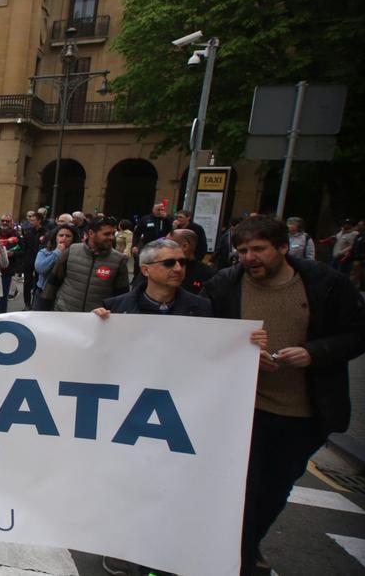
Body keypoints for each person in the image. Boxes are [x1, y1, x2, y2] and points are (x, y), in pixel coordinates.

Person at [203, 215, 365, 575]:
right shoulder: (225, 284)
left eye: (259, 249)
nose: (250, 257)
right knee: (240, 491)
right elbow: (203, 332)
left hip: (301, 412)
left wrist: (315, 352)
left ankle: (246, 547)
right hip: (242, 409)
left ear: (284, 247)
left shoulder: (326, 284)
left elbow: (362, 334)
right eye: (242, 250)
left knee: (274, 489)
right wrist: (240, 351)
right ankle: (239, 557)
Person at [92, 238, 244, 576]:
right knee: (125, 482)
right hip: (127, 414)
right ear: (146, 270)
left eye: (181, 262)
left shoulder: (202, 309)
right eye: (169, 263)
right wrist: (93, 326)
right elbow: (97, 357)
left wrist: (245, 345)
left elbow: (216, 353)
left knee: (170, 483)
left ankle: (163, 550)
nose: (179, 268)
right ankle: (119, 545)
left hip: (178, 413)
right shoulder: (115, 307)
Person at [39, 217, 129, 312]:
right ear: (91, 233)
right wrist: (43, 311)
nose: (111, 237)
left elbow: (122, 296)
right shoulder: (72, 251)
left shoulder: (119, 260)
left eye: (113, 234)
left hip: (97, 320)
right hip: (64, 314)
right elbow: (53, 283)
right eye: (106, 234)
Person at [167, 228, 216, 295]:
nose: (164, 248)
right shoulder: (163, 268)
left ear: (185, 246)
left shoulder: (208, 275)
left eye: (169, 244)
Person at [21, 212, 47, 308]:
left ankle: (35, 303)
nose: (30, 222)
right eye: (30, 220)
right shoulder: (28, 232)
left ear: (39, 220)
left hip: (40, 261)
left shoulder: (46, 232)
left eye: (33, 220)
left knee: (38, 283)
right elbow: (25, 247)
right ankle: (27, 303)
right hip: (29, 261)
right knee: (27, 283)